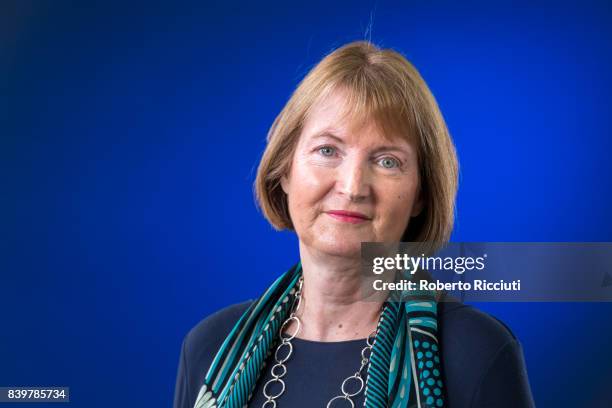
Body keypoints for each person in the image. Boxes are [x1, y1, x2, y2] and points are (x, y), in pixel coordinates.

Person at [173, 41, 535, 408]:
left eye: (387, 161)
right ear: (285, 170)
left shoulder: (476, 353)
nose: (352, 187)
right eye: (327, 151)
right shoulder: (208, 348)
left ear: (421, 195)